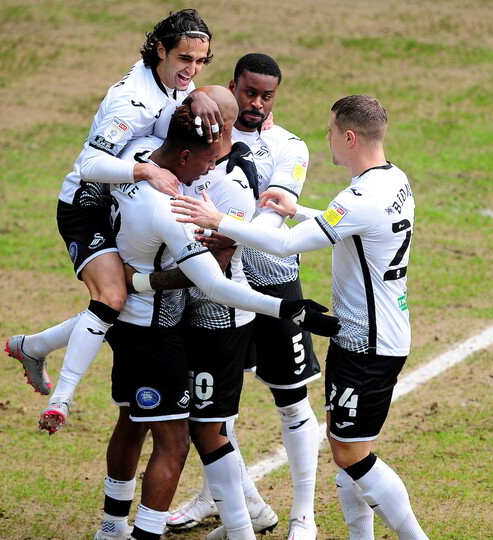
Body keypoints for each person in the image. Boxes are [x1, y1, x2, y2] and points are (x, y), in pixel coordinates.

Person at [173, 94, 430, 540]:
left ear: (349, 137)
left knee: (351, 455)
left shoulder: (360, 198)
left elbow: (285, 245)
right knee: (349, 449)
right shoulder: (394, 180)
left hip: (367, 344)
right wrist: (298, 211)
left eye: (331, 131)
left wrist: (220, 221)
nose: (326, 138)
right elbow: (351, 227)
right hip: (378, 334)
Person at [96, 102, 339, 540]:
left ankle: (272, 521)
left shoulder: (227, 182)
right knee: (196, 425)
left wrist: (139, 282)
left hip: (222, 320)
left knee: (210, 427)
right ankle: (243, 515)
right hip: (181, 318)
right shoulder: (155, 170)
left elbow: (217, 275)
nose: (206, 169)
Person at [2, 9, 223, 434]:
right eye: (184, 59)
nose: (192, 70)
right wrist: (143, 171)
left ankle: (32, 347)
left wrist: (199, 95)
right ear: (160, 50)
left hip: (124, 203)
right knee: (113, 297)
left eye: (200, 62)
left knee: (123, 304)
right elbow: (88, 165)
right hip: (87, 204)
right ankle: (60, 401)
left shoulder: (177, 82)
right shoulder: (130, 101)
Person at [165, 53, 321, 540]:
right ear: (232, 87)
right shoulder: (207, 131)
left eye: (266, 96)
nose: (256, 103)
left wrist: (227, 229)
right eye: (249, 93)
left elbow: (273, 217)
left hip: (272, 281)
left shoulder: (289, 146)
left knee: (291, 399)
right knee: (214, 407)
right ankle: (223, 498)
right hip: (216, 292)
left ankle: (303, 515)